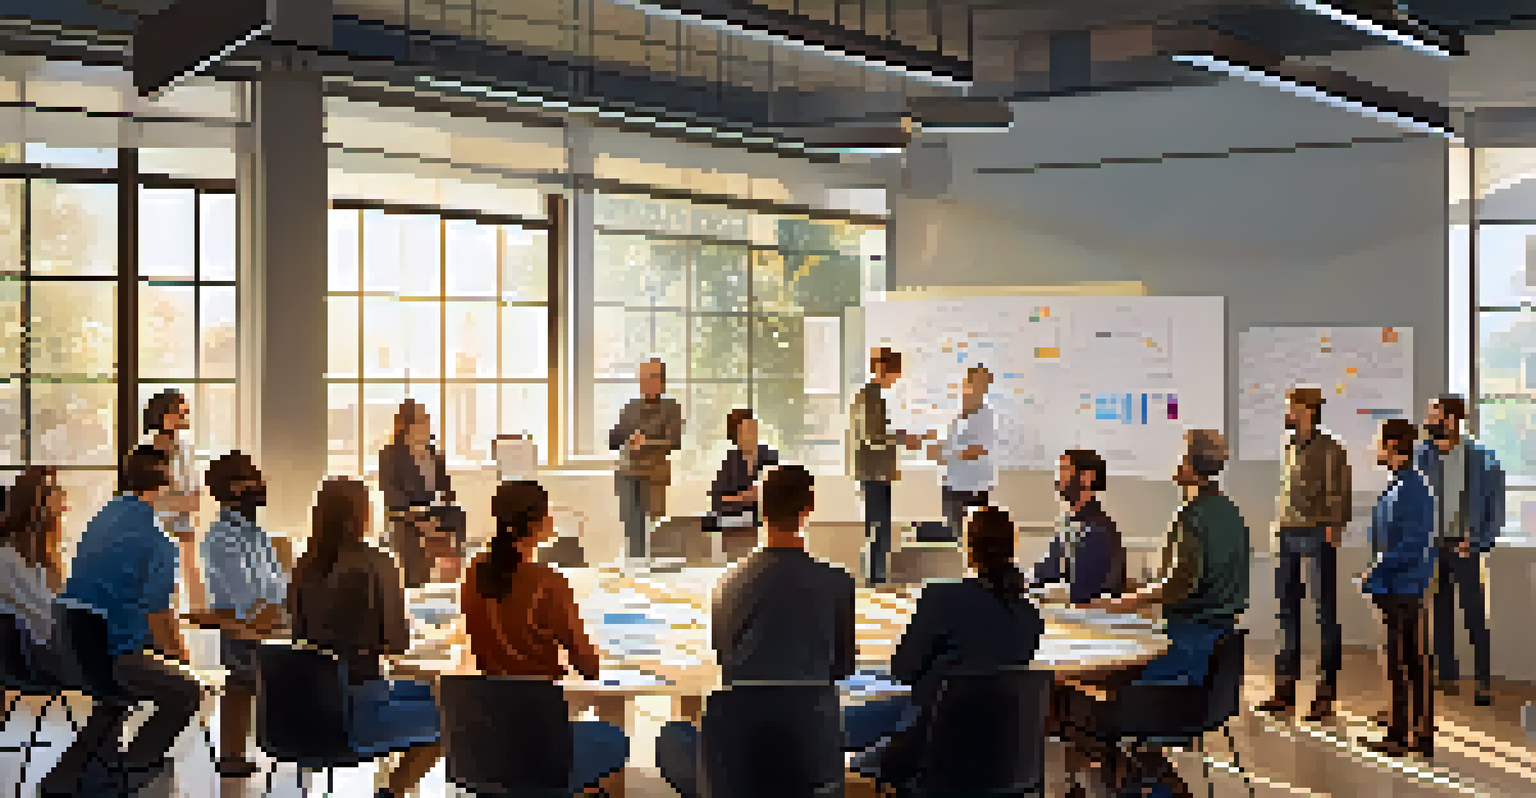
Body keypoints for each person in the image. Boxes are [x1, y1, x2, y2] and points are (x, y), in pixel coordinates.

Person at [655, 464, 856, 798]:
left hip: (738, 765)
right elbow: (843, 668)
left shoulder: (728, 583)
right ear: (809, 509)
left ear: (761, 510)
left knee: (673, 736)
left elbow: (726, 663)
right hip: (813, 754)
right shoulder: (837, 582)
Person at [1073, 429, 1252, 798]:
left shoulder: (1192, 516)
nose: (1176, 462)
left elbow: (1178, 587)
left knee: (1097, 698)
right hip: (1215, 657)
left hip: (1188, 656)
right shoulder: (1230, 511)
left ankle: (1141, 782)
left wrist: (1119, 602)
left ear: (1191, 465)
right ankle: (1151, 774)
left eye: (1181, 455)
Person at [39, 446, 203, 798]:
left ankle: (64, 780)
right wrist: (183, 663)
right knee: (188, 690)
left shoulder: (103, 517)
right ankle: (127, 778)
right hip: (105, 652)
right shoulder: (158, 543)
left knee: (115, 699)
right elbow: (159, 617)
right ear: (166, 485)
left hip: (67, 643)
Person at [843, 506, 1044, 792]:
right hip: (999, 761)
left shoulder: (941, 597)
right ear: (1012, 550)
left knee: (842, 742)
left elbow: (902, 670)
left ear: (968, 548)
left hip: (929, 753)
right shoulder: (1029, 618)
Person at [461, 480, 630, 793]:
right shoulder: (546, 582)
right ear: (539, 523)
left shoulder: (473, 572)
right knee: (612, 734)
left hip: (490, 724)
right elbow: (589, 667)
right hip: (540, 727)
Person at [289, 477, 442, 798]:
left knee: (432, 692)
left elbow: (300, 636)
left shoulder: (304, 565)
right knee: (458, 714)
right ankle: (392, 793)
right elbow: (398, 644)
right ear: (358, 515)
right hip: (357, 712)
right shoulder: (378, 562)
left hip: (307, 710)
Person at [1257, 386, 1351, 722]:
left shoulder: (1331, 450)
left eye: (1291, 408)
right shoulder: (1288, 448)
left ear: (1307, 411)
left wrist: (1332, 529)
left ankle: (1325, 695)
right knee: (1286, 614)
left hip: (1317, 534)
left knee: (1324, 615)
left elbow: (1339, 494)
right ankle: (1284, 692)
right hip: (1286, 535)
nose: (1287, 413)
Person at [200, 451, 288, 778]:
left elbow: (278, 586)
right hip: (248, 635)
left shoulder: (255, 534)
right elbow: (249, 599)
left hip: (268, 629)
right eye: (255, 478)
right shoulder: (223, 537)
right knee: (242, 681)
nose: (262, 484)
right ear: (235, 488)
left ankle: (236, 753)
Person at [1416, 394, 1504, 707]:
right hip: (1433, 548)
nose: (1428, 420)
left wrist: (1480, 542)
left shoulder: (1481, 457)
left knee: (1475, 616)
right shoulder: (1420, 456)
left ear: (1451, 420)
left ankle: (1483, 682)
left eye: (1434, 414)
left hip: (1466, 549)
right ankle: (1446, 676)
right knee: (1440, 613)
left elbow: (1496, 507)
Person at [1359, 419, 1436, 759]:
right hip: (1397, 585)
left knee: (1401, 663)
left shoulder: (1411, 487)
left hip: (1401, 587)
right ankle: (1416, 733)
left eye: (1378, 441)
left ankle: (1400, 737)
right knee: (1410, 661)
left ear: (1392, 446)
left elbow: (1412, 545)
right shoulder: (1402, 483)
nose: (1374, 446)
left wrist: (1374, 571)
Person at [849, 347, 923, 585]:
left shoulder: (870, 395)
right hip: (874, 473)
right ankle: (875, 578)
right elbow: (874, 437)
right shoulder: (871, 396)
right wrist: (903, 439)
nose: (897, 377)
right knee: (878, 528)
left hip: (874, 472)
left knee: (877, 527)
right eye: (895, 371)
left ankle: (876, 577)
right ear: (883, 369)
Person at [379, 399, 463, 588]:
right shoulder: (390, 454)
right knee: (412, 536)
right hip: (404, 514)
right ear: (407, 425)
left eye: (426, 418)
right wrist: (417, 516)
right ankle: (416, 582)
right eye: (421, 419)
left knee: (457, 514)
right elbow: (391, 494)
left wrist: (440, 508)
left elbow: (447, 490)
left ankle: (452, 577)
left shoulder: (433, 453)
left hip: (435, 511)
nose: (427, 422)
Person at [1029, 449, 1128, 605]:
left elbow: (1086, 590)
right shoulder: (1068, 523)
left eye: (1065, 471)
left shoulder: (1101, 531)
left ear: (1086, 477)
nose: (1058, 479)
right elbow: (1047, 572)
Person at [609, 358, 684, 562]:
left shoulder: (671, 407)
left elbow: (674, 441)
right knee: (631, 527)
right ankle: (633, 568)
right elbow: (613, 439)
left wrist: (645, 442)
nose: (645, 381)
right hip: (627, 472)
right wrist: (626, 438)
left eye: (650, 376)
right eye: (642, 377)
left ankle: (649, 569)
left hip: (653, 474)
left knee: (651, 529)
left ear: (661, 380)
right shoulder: (631, 407)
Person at [143, 389, 207, 614]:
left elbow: (193, 484)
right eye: (179, 412)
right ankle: (165, 616)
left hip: (183, 515)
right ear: (163, 415)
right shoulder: (149, 450)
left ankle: (199, 612)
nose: (184, 417)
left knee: (191, 565)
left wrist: (191, 501)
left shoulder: (187, 449)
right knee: (163, 571)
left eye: (185, 412)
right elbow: (155, 490)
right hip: (159, 517)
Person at [0, 466, 68, 671]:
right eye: (55, 490)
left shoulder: (38, 553)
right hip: (41, 657)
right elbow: (49, 613)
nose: (63, 496)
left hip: (53, 648)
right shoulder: (9, 557)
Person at [927, 366, 997, 541]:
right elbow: (953, 449)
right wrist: (937, 452)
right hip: (953, 487)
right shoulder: (959, 417)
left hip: (973, 488)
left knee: (974, 540)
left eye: (981, 384)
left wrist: (946, 453)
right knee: (954, 540)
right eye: (972, 383)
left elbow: (977, 450)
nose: (975, 388)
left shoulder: (985, 415)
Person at [707, 408, 779, 537]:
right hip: (736, 523)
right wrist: (743, 497)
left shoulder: (770, 456)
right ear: (737, 436)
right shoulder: (730, 460)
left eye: (754, 428)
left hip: (765, 524)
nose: (754, 434)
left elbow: (779, 495)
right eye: (748, 430)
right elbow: (716, 499)